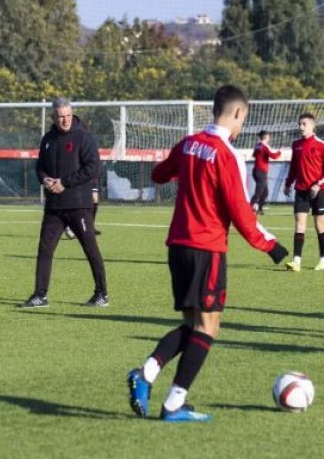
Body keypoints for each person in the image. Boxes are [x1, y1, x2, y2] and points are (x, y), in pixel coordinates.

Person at [126, 85, 288, 423]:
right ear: (238, 113)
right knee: (209, 327)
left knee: (192, 325)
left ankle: (152, 376)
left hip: (178, 246)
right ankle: (169, 399)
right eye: (244, 119)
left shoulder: (189, 144)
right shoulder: (227, 155)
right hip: (206, 249)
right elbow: (242, 214)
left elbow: (158, 174)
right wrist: (272, 246)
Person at [20, 98, 108, 308]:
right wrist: (45, 179)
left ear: (72, 114)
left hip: (79, 205)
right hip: (54, 207)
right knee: (45, 249)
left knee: (90, 249)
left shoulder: (84, 137)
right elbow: (40, 166)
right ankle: (40, 295)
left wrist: (64, 183)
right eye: (60, 117)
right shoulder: (48, 139)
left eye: (68, 115)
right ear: (53, 117)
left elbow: (92, 168)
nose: (65, 120)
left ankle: (102, 294)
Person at [283, 113, 324, 272]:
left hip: (317, 191)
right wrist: (288, 183)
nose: (301, 127)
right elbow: (293, 167)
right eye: (299, 124)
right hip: (300, 190)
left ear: (312, 126)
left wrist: (319, 185)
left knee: (319, 224)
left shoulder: (321, 145)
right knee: (299, 223)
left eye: (304, 124)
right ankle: (296, 262)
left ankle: (323, 261)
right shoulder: (296, 145)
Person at [250, 130, 281, 215]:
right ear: (267, 136)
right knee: (259, 192)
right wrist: (279, 152)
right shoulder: (264, 146)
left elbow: (254, 155)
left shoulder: (257, 145)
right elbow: (273, 156)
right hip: (261, 172)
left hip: (256, 171)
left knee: (265, 192)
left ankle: (259, 208)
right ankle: (249, 208)